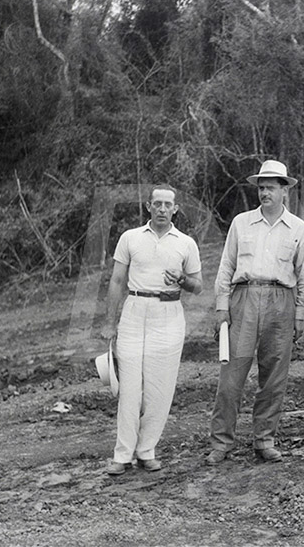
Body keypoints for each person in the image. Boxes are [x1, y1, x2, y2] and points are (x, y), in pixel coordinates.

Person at [206, 160, 304, 465]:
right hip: (244, 298)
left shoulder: (298, 229)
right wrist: (222, 308)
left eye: (271, 187)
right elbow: (226, 266)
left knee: (274, 376)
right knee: (231, 377)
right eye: (261, 187)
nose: (265, 192)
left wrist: (300, 311)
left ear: (284, 191)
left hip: (282, 300)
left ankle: (264, 439)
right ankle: (222, 441)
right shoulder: (241, 223)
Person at [101, 184, 203, 475]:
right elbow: (117, 281)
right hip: (134, 310)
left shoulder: (186, 243)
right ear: (148, 207)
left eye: (167, 204)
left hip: (169, 313)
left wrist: (183, 279)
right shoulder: (130, 238)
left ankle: (146, 450)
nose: (161, 209)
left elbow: (198, 286)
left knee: (160, 388)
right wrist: (110, 323)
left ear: (175, 209)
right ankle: (122, 455)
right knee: (130, 387)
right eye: (156, 203)